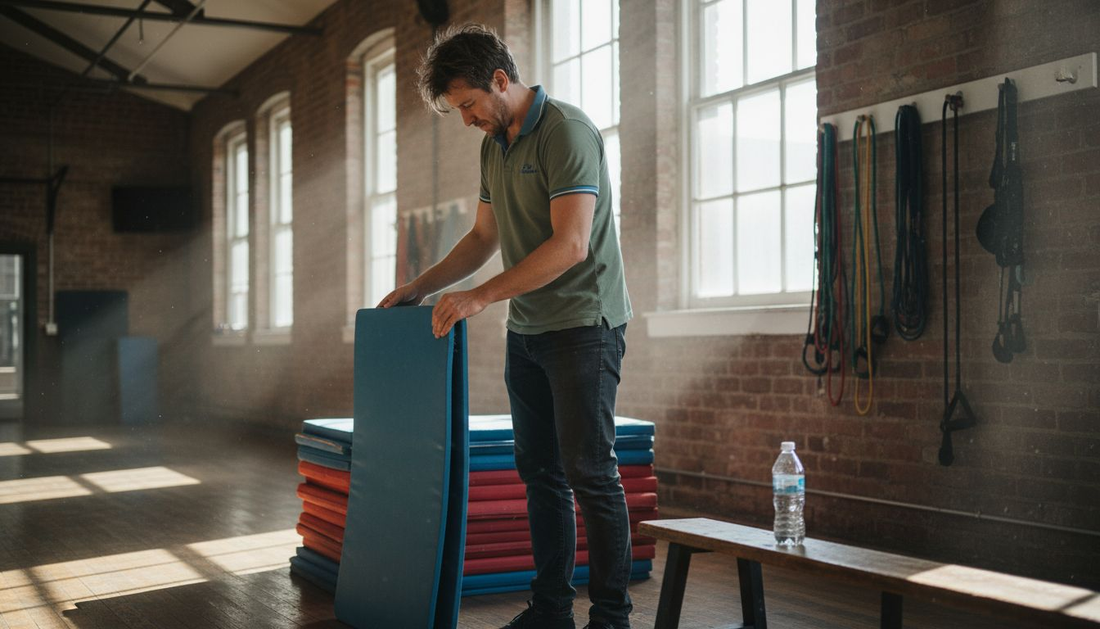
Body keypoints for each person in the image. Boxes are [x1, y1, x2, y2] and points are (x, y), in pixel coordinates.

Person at [378, 23, 633, 629]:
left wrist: (480, 297)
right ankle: (551, 611)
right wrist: (420, 287)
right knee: (541, 475)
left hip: (584, 326)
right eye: (458, 111)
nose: (467, 120)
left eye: (469, 105)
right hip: (530, 332)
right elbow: (483, 237)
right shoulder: (494, 145)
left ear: (499, 80)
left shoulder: (567, 131)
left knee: (591, 475)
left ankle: (611, 618)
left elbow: (571, 244)